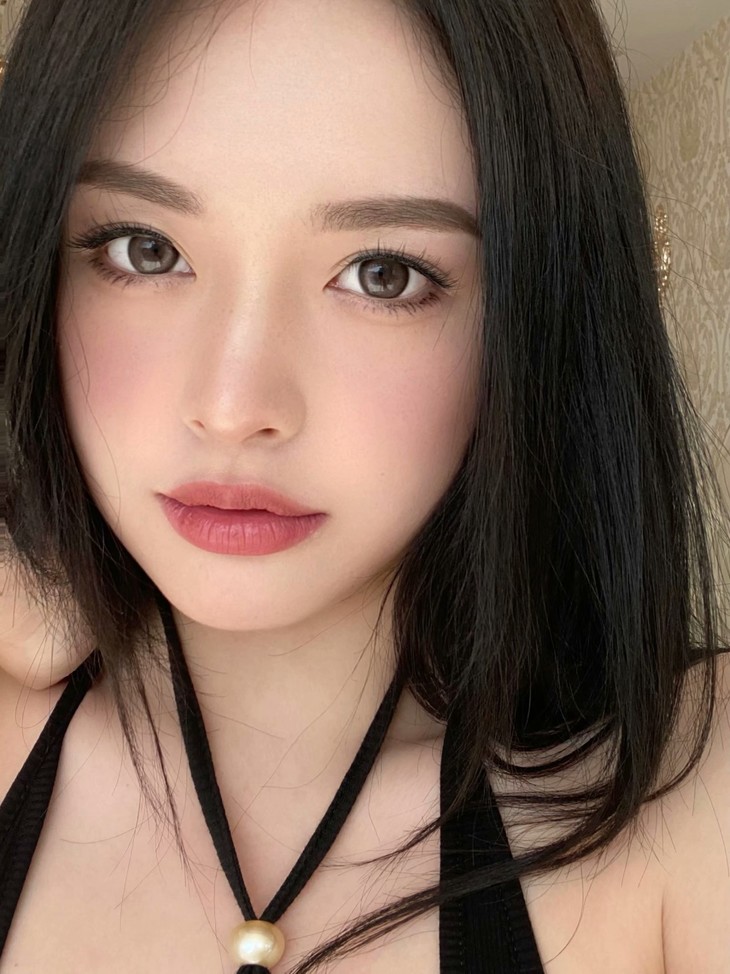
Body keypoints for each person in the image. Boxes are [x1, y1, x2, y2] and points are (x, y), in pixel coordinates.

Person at [1, 0, 729, 971]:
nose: (234, 407)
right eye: (146, 249)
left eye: (382, 274)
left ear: (534, 316)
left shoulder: (689, 785)